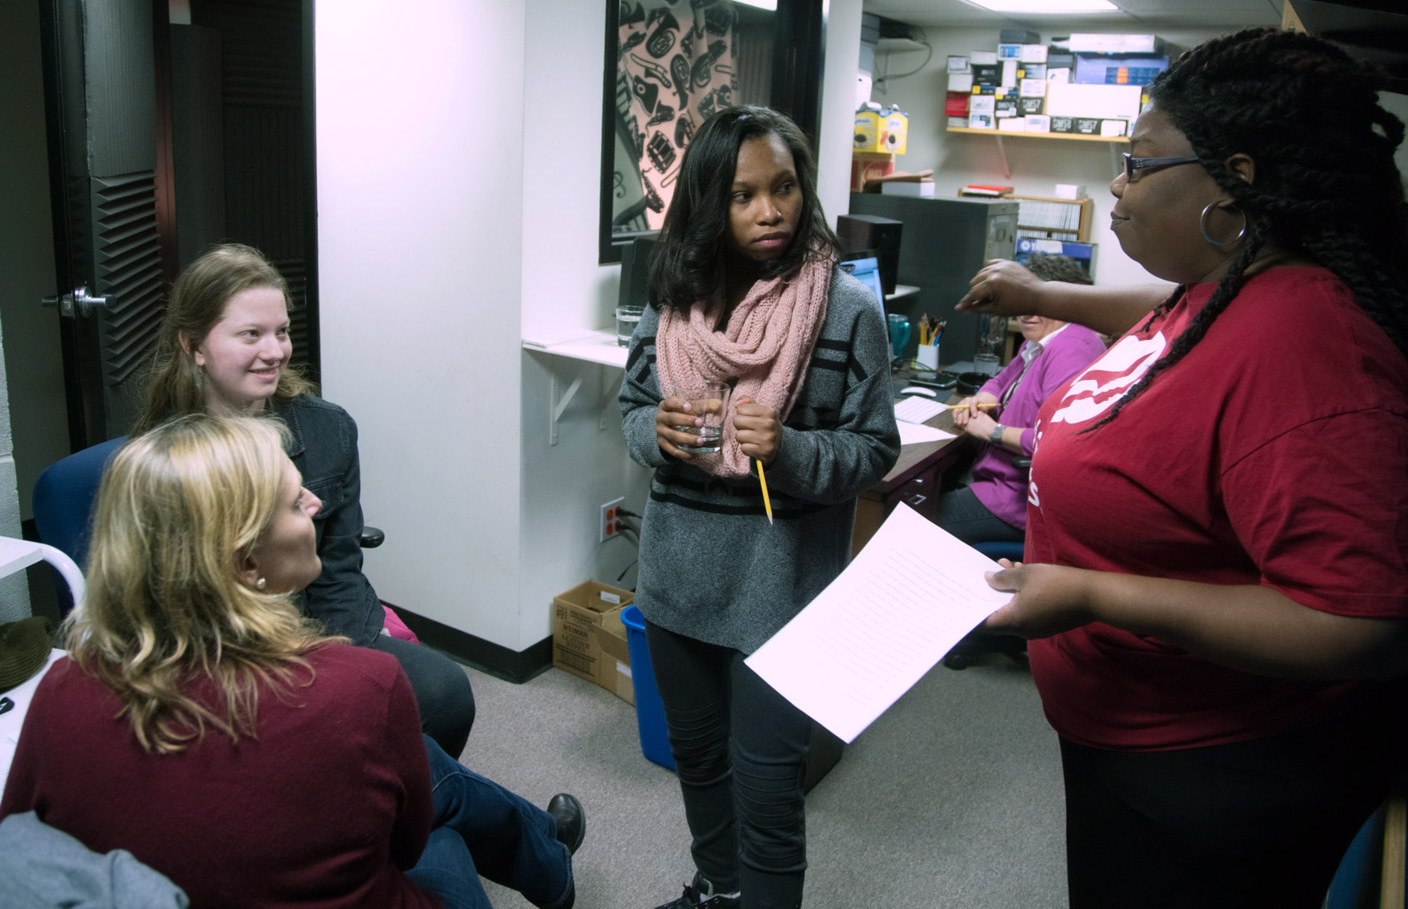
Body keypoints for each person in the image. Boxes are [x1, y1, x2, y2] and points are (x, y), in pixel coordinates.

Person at [955, 28, 1408, 908]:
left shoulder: (1311, 352)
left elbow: (1364, 621)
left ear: (1231, 189)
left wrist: (1094, 594)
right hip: (1124, 737)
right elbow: (1170, 309)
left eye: (1138, 164)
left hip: (1209, 775)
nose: (1117, 186)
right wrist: (1044, 294)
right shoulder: (1230, 284)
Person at [0, 414, 583, 909]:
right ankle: (550, 867)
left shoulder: (61, 694)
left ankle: (547, 855)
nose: (315, 501)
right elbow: (402, 848)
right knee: (442, 822)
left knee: (436, 775)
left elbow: (25, 842)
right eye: (292, 499)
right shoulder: (361, 689)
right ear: (247, 564)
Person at [619, 106, 900, 909]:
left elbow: (876, 450)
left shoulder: (845, 308)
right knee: (698, 761)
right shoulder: (676, 296)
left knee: (771, 794)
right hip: (677, 584)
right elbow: (634, 410)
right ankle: (715, 885)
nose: (770, 210)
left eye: (783, 188)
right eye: (743, 195)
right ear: (711, 200)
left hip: (784, 596)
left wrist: (792, 448)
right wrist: (660, 431)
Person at [130, 243, 475, 759]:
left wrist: (341, 669)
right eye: (251, 334)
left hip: (325, 629)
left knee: (444, 694)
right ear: (194, 345)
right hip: (223, 649)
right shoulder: (166, 458)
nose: (275, 351)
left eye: (282, 331)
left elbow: (338, 572)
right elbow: (176, 609)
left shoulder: (327, 428)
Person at [940, 254, 1106, 546]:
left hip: (1018, 500)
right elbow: (1002, 378)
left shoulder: (1071, 349)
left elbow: (1062, 441)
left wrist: (993, 431)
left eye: (1037, 306)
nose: (1026, 315)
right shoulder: (1042, 341)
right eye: (1022, 305)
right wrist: (983, 399)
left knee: (914, 513)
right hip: (999, 482)